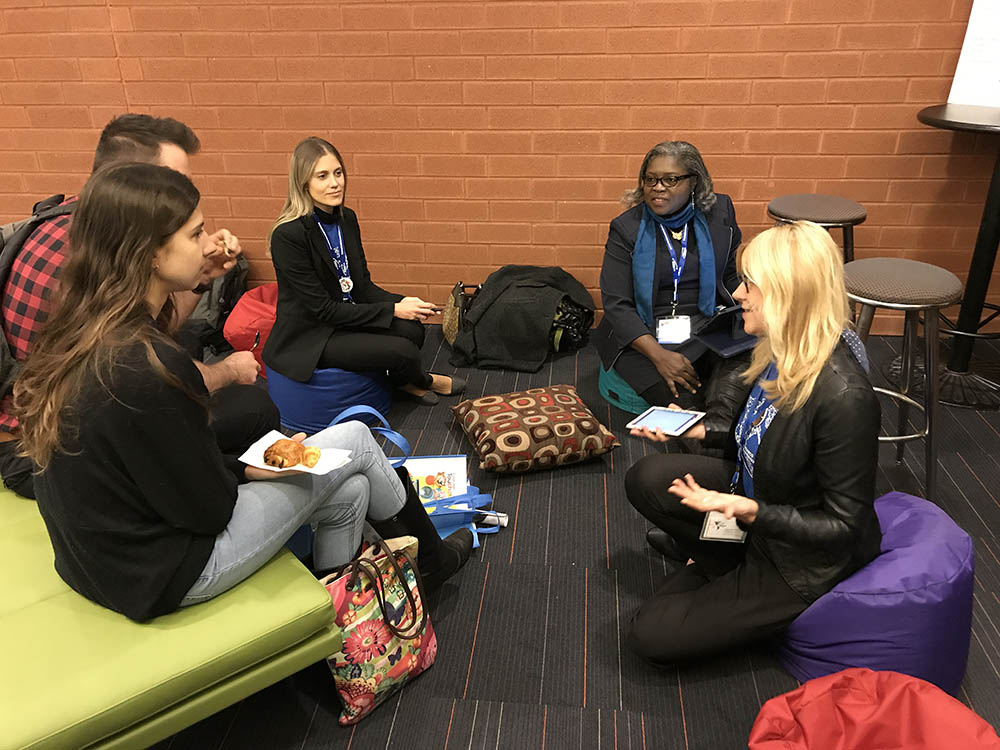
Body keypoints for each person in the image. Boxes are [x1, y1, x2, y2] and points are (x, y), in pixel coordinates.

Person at [14, 163, 472, 622]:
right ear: (150, 253)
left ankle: (343, 621)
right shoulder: (147, 369)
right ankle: (433, 563)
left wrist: (249, 466)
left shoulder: (85, 327)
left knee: (350, 490)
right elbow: (210, 511)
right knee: (355, 439)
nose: (210, 241)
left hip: (94, 563)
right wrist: (246, 470)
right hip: (162, 574)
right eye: (195, 234)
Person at [622, 221, 882, 664]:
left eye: (749, 284)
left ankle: (717, 565)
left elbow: (844, 529)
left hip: (797, 559)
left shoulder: (845, 397)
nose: (738, 295)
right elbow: (757, 437)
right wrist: (694, 429)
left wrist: (750, 511)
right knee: (648, 477)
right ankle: (719, 560)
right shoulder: (779, 351)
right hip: (757, 504)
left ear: (787, 294)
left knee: (651, 635)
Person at [0, 114, 274, 499]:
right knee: (253, 405)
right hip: (41, 452)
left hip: (63, 418)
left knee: (193, 345)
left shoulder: (78, 228)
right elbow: (145, 368)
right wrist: (227, 370)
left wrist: (201, 274)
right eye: (174, 185)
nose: (185, 196)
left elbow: (150, 330)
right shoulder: (84, 264)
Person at [263, 137, 465, 405]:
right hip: (314, 333)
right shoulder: (288, 235)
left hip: (345, 317)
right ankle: (424, 380)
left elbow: (362, 287)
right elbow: (322, 310)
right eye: (322, 176)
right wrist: (393, 310)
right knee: (402, 350)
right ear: (304, 183)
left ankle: (404, 380)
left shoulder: (346, 219)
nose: (335, 183)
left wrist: (402, 302)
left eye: (338, 173)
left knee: (413, 329)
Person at [595, 140, 748, 411]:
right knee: (687, 406)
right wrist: (660, 357)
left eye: (671, 179)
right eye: (650, 179)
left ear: (694, 181)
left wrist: (754, 309)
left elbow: (728, 277)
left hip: (706, 326)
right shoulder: (626, 228)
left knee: (733, 398)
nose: (658, 187)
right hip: (644, 335)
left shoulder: (719, 214)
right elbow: (617, 306)